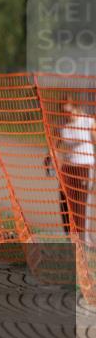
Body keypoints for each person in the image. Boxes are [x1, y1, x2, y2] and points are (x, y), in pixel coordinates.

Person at [54, 101, 95, 241]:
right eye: (64, 112)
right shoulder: (63, 126)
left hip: (84, 167)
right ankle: (70, 238)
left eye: (69, 112)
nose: (67, 115)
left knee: (80, 205)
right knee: (65, 202)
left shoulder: (87, 122)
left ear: (76, 108)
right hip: (67, 168)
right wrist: (50, 157)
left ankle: (81, 241)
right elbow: (56, 146)